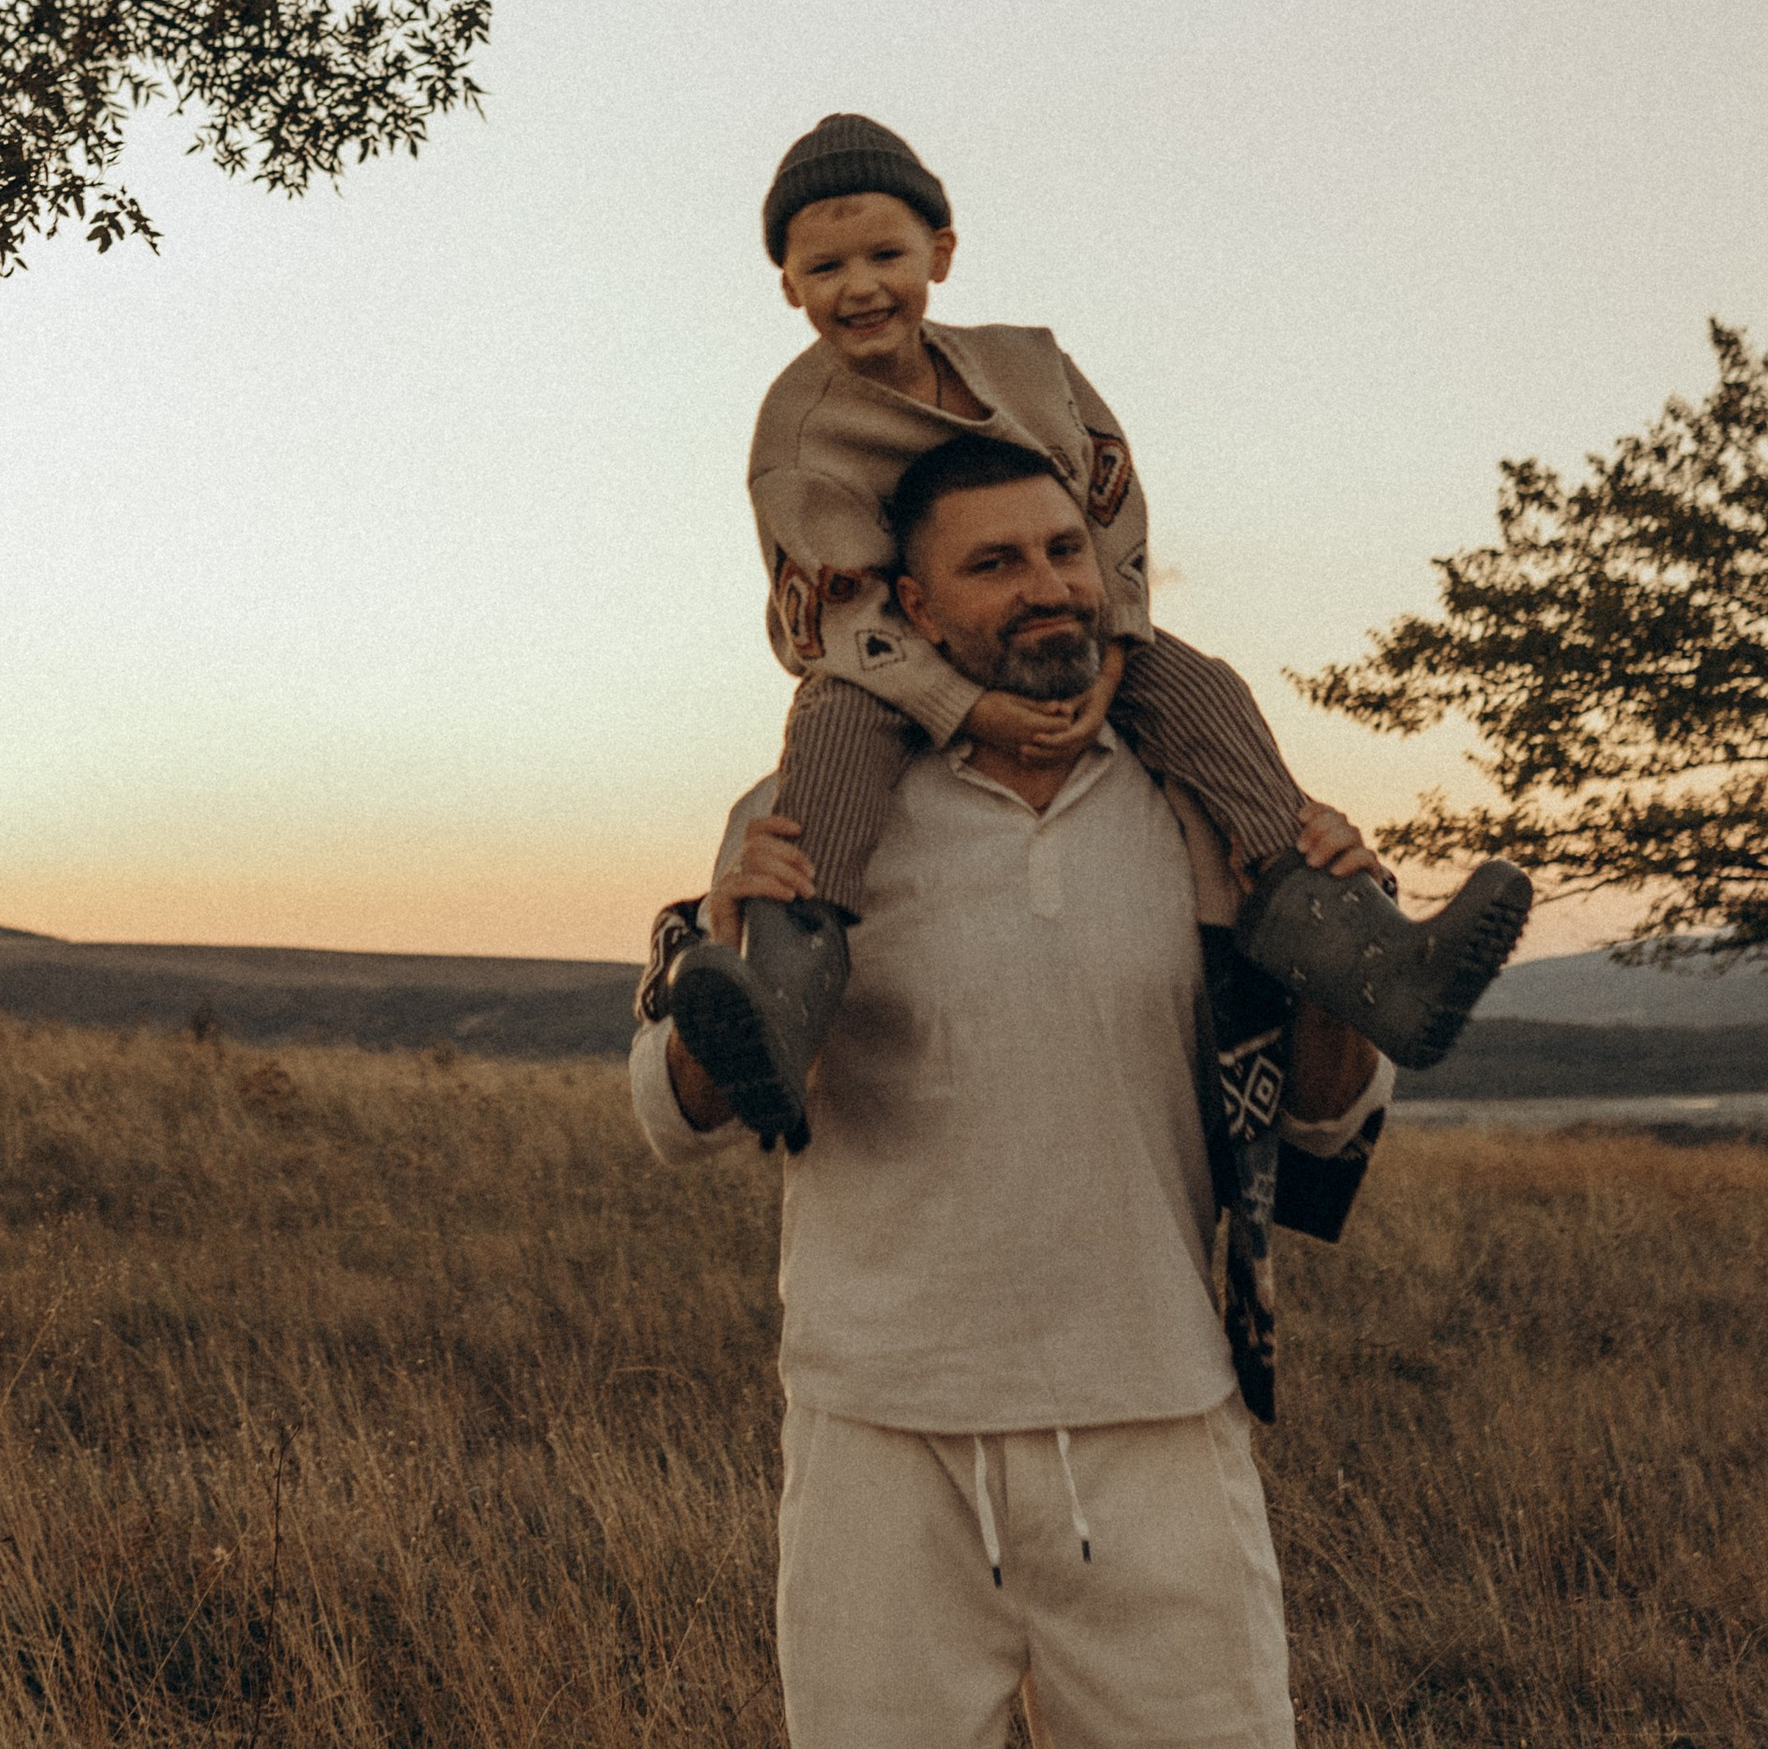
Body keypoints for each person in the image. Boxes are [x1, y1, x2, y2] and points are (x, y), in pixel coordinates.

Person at [633, 434, 1396, 1749]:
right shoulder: (812, 809)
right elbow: (672, 1117)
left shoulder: (1214, 808)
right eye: (993, 563)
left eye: (1062, 550)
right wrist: (729, 950)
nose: (1047, 585)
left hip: (1158, 1415)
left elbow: (1327, 1112)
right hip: (882, 1432)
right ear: (912, 609)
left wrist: (1334, 965)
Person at [668, 113, 1527, 1148]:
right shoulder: (797, 436)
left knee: (1200, 686)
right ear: (788, 286)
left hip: (1081, 635)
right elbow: (836, 611)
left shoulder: (1029, 367)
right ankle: (782, 992)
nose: (860, 286)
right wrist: (969, 708)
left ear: (941, 253)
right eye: (825, 267)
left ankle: (1354, 942)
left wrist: (1113, 654)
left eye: (885, 255)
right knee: (833, 726)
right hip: (885, 655)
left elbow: (1110, 505)